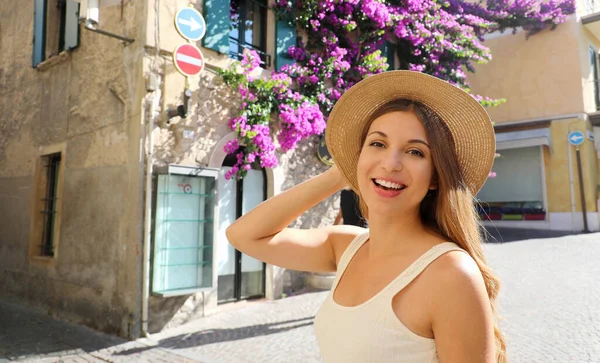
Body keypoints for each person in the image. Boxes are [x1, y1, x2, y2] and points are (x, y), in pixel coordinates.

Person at [226, 70, 506, 363]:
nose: (390, 163)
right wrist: (341, 173)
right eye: (377, 144)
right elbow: (243, 235)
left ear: (436, 177)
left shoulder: (451, 274)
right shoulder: (345, 247)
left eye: (415, 152)